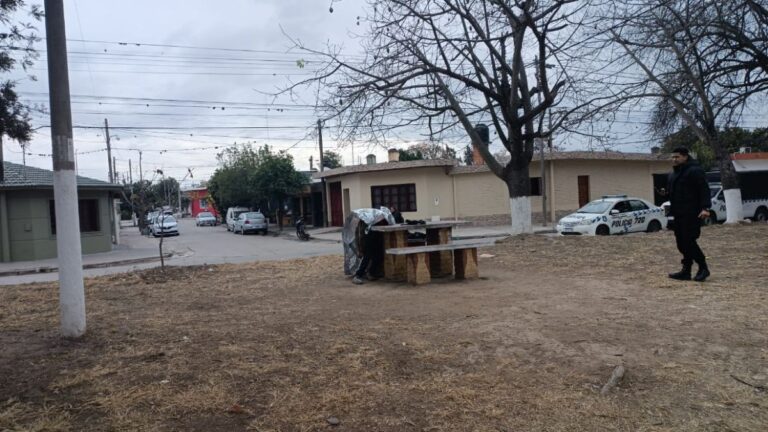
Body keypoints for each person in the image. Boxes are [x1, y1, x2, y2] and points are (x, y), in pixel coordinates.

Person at [667, 147, 711, 282]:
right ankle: (686, 271)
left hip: (692, 213)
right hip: (678, 213)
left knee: (689, 241)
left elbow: (704, 189)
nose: (674, 159)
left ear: (685, 156)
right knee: (681, 243)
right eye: (673, 157)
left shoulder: (695, 170)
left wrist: (705, 208)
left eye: (677, 157)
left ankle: (703, 268)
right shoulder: (674, 174)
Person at [352, 220, 386, 284]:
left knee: (378, 257)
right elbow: (360, 234)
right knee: (366, 258)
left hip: (376, 239)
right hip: (368, 240)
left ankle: (371, 273)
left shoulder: (378, 219)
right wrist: (360, 247)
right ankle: (358, 275)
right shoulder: (365, 220)